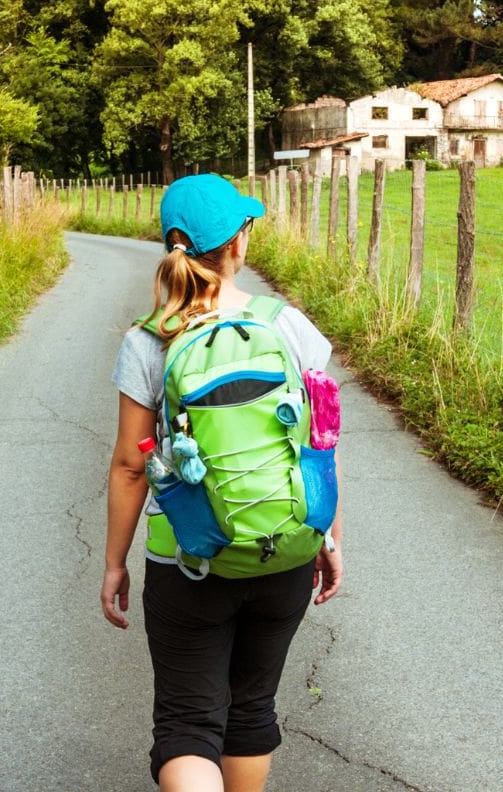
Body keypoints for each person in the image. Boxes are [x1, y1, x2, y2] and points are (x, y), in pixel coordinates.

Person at [102, 173, 343, 792]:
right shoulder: (286, 325)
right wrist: (328, 537)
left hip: (188, 558)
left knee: (188, 723)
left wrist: (114, 564)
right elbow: (318, 444)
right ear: (239, 242)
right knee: (251, 712)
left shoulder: (148, 339)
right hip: (284, 551)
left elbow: (132, 464)